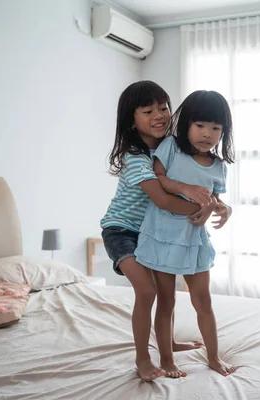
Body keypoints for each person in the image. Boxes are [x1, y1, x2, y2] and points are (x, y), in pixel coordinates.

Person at [100, 81, 219, 381]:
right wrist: (200, 207)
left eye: (164, 107)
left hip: (152, 232)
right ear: (131, 119)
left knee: (168, 296)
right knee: (147, 290)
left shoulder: (171, 147)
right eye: (147, 110)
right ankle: (142, 359)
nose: (159, 115)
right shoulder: (135, 157)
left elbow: (196, 183)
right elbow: (163, 199)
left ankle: (170, 343)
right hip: (122, 231)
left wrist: (214, 203)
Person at [135, 90, 236, 377]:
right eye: (201, 125)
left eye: (216, 128)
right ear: (187, 124)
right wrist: (186, 188)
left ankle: (214, 358)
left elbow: (214, 197)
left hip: (194, 241)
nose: (207, 134)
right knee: (166, 301)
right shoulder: (171, 147)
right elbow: (160, 180)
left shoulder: (218, 166)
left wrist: (224, 208)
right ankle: (166, 360)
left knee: (203, 300)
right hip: (163, 237)